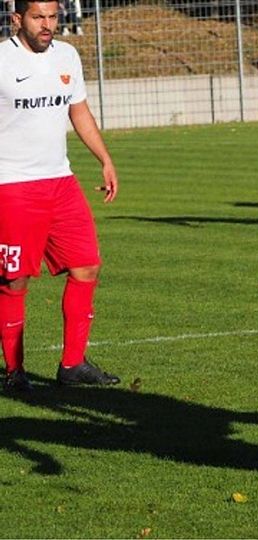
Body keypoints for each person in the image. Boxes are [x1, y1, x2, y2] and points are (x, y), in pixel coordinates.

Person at [0, 0, 120, 391]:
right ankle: (15, 372)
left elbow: (78, 111)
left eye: (53, 16)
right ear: (17, 19)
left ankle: (72, 364)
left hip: (61, 182)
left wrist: (104, 158)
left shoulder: (67, 55)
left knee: (87, 266)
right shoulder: (2, 61)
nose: (47, 24)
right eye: (38, 17)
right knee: (14, 280)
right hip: (12, 184)